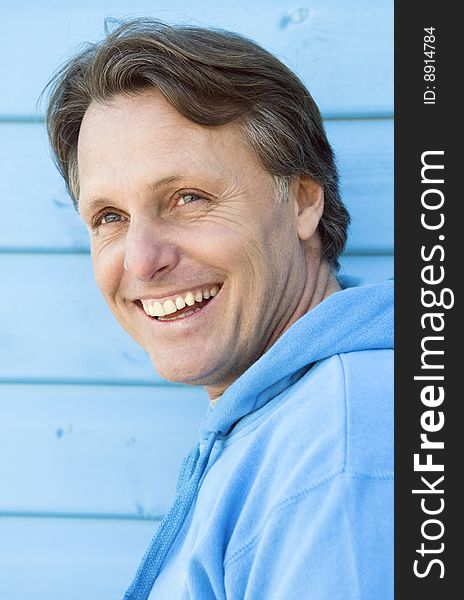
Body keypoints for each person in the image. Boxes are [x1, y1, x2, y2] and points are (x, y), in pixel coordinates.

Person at [44, 18, 393, 600]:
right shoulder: (289, 420)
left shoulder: (337, 450)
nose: (141, 260)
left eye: (188, 198)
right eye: (110, 217)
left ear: (304, 200)